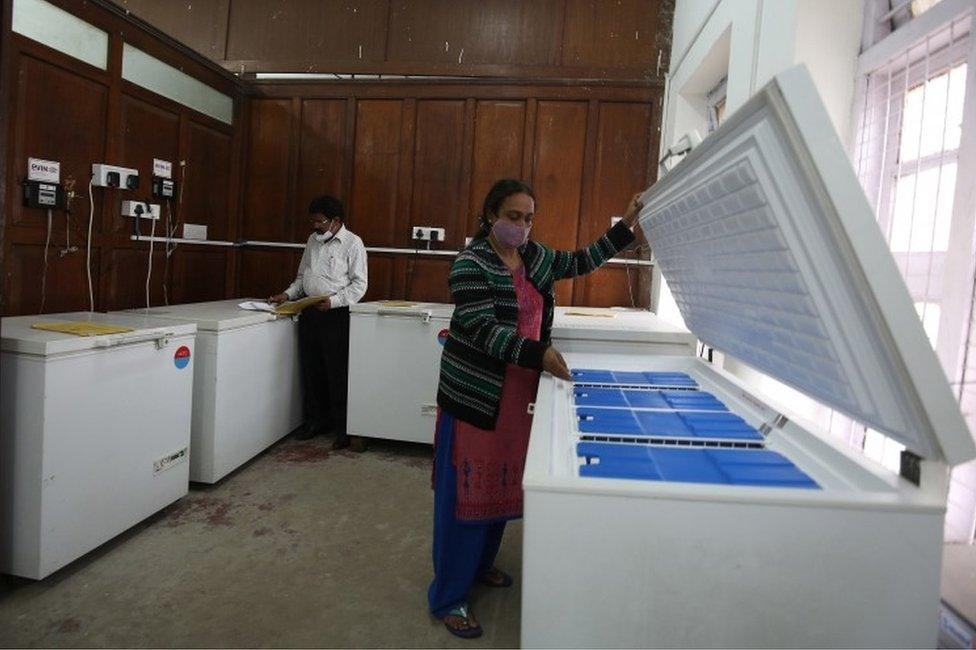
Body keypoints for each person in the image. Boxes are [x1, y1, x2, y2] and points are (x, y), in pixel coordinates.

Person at [428, 179, 643, 638]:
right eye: (512, 217)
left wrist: (626, 227)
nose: (521, 227)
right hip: (478, 395)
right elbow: (483, 329)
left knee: (502, 486)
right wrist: (539, 354)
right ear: (489, 216)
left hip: (519, 396)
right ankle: (449, 595)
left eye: (528, 218)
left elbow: (582, 260)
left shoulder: (536, 258)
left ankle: (481, 566)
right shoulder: (469, 264)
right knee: (465, 493)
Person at [269, 195, 368, 452]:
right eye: (313, 221)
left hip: (336, 316)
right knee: (311, 370)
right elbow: (303, 277)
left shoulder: (353, 243)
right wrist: (288, 295)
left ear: (336, 221)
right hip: (309, 312)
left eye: (320, 221)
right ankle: (316, 421)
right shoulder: (313, 241)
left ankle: (342, 429)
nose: (315, 226)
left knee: (337, 373)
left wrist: (334, 302)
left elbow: (359, 285)